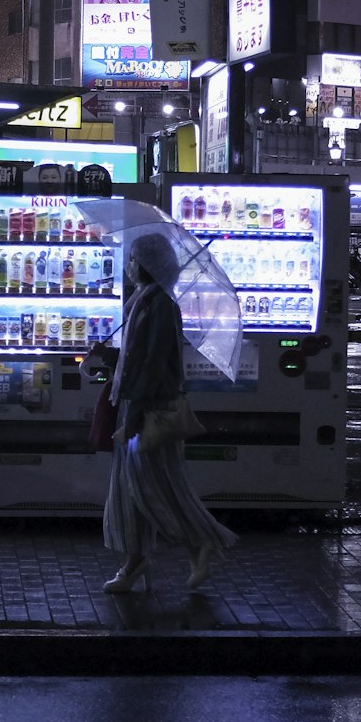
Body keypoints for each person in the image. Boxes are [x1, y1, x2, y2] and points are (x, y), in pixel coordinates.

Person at [101, 232, 237, 594]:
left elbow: (155, 363)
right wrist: (107, 358)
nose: (128, 266)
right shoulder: (142, 301)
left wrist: (135, 410)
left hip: (150, 410)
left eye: (132, 259)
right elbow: (136, 358)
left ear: (145, 264)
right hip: (135, 404)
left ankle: (201, 542)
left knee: (154, 488)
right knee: (131, 489)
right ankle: (134, 562)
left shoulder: (161, 305)